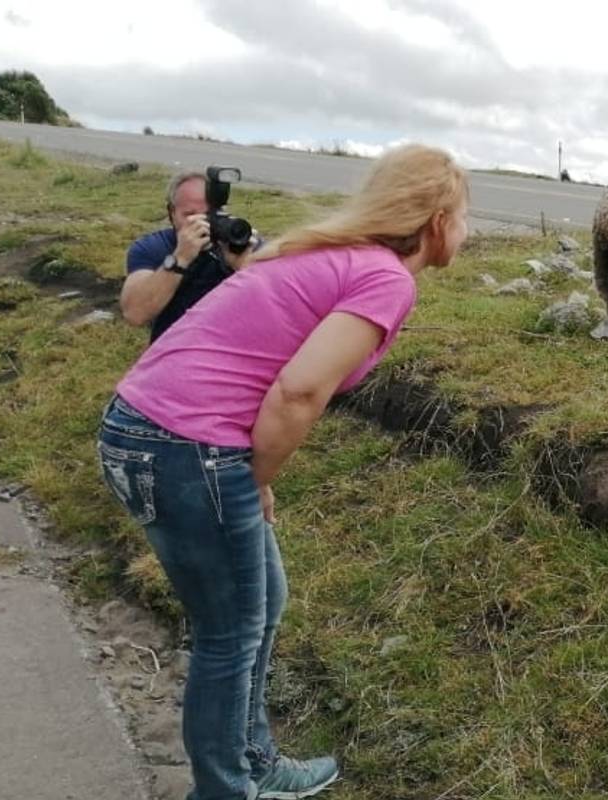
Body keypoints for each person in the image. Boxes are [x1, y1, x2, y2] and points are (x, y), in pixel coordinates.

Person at [96, 144, 470, 800]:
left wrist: (247, 475)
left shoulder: (324, 252)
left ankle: (254, 761)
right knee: (229, 634)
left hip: (143, 429)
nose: (469, 230)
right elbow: (298, 393)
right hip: (187, 447)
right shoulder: (386, 277)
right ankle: (225, 790)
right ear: (438, 219)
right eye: (466, 215)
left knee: (262, 603)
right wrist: (257, 477)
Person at [121, 170, 255, 342]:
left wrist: (245, 270)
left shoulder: (240, 245)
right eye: (191, 215)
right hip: (173, 352)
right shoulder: (152, 248)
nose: (203, 223)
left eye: (210, 214)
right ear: (171, 213)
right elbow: (135, 313)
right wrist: (180, 258)